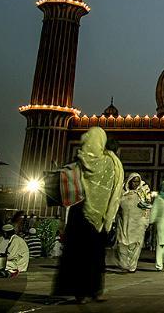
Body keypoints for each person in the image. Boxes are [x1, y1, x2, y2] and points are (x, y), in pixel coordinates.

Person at [53, 126, 124, 302]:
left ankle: (79, 293)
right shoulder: (111, 162)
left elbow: (65, 181)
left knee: (76, 254)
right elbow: (115, 190)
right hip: (98, 217)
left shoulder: (79, 161)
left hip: (79, 212)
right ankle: (94, 290)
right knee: (95, 255)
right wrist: (109, 217)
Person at [116, 172, 152, 273]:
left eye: (137, 182)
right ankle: (124, 265)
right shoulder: (122, 193)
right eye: (134, 181)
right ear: (129, 181)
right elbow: (116, 206)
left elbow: (147, 209)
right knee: (122, 244)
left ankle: (132, 266)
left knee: (136, 245)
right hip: (124, 223)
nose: (135, 184)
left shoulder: (142, 194)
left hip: (138, 224)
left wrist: (146, 221)